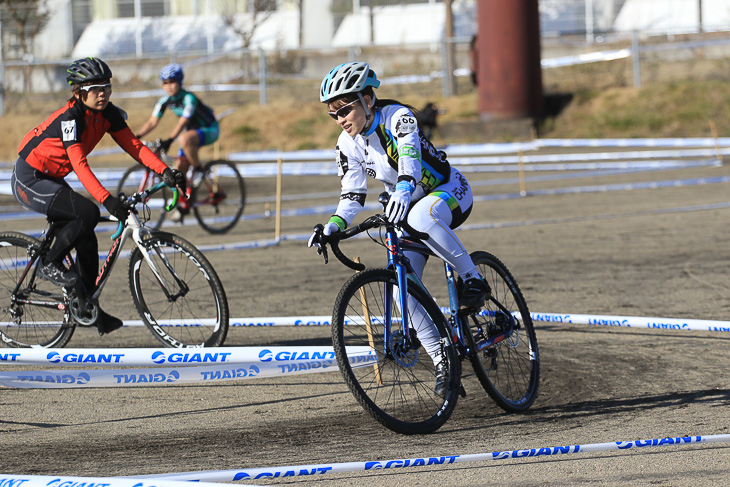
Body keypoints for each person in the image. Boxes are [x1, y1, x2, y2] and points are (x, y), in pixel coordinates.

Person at [308, 61, 490, 396]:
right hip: (406, 205)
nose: (340, 119)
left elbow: (410, 158)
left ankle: (474, 279)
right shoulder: (347, 143)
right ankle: (443, 362)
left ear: (367, 98)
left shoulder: (398, 116)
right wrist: (333, 226)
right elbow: (352, 194)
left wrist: (404, 189)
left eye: (345, 109)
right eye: (333, 114)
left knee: (422, 217)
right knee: (400, 290)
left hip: (447, 191)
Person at [11, 57, 185, 336]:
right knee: (88, 213)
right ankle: (49, 264)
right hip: (29, 178)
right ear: (79, 92)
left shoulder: (108, 114)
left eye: (106, 86)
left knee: (88, 238)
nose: (102, 93)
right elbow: (80, 166)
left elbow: (135, 147)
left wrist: (165, 171)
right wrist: (107, 200)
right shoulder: (71, 119)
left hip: (53, 177)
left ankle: (86, 306)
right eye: (95, 88)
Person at [135, 63, 219, 222]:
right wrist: (136, 136)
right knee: (178, 170)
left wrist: (170, 140)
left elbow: (183, 122)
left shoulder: (189, 98)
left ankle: (200, 170)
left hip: (209, 129)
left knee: (184, 139)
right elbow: (153, 121)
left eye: (172, 82)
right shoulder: (164, 101)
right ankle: (184, 204)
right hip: (191, 133)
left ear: (180, 82)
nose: (168, 86)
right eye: (165, 83)